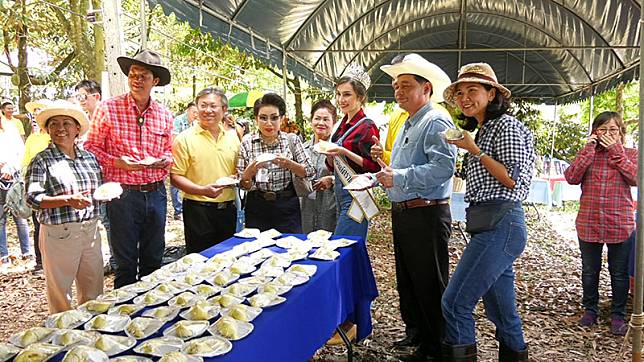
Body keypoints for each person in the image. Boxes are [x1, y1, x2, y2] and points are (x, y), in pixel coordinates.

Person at [441, 63, 535, 361]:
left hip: (502, 223)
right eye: (459, 93)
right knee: (501, 311)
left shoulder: (506, 126)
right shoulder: (483, 129)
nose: (464, 97)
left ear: (492, 93)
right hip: (487, 223)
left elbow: (513, 178)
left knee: (455, 303)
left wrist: (474, 150)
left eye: (473, 90)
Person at [374, 54, 456, 362]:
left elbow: (443, 168)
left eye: (406, 85)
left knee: (429, 279)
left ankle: (435, 346)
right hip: (406, 211)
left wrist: (396, 176)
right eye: (396, 86)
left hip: (427, 212)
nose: (399, 91)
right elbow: (402, 168)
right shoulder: (410, 121)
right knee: (408, 277)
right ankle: (417, 333)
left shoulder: (435, 120)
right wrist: (381, 176)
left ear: (427, 89)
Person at [85, 49, 173, 288]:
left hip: (156, 193)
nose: (136, 79)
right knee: (124, 263)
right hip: (122, 194)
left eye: (143, 76)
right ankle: (123, 318)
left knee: (153, 258)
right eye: (133, 74)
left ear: (155, 81)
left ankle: (152, 312)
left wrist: (164, 160)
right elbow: (90, 147)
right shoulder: (108, 108)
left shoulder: (164, 114)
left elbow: (169, 150)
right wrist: (117, 162)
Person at [25, 100, 104, 313]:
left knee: (94, 291)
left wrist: (105, 194)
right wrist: (67, 200)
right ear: (47, 130)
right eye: (54, 124)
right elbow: (32, 198)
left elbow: (97, 190)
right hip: (59, 233)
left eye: (67, 123)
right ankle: (62, 339)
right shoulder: (41, 160)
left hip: (90, 230)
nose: (61, 129)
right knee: (61, 294)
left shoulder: (89, 158)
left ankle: (92, 336)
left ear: (77, 128)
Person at [564, 111, 636, 336]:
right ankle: (590, 310)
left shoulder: (631, 154)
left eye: (612, 130)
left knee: (619, 272)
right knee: (589, 270)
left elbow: (636, 178)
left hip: (619, 222)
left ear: (621, 133)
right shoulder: (588, 153)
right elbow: (572, 177)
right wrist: (588, 150)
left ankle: (618, 315)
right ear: (594, 132)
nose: (607, 134)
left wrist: (616, 151)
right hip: (589, 221)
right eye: (602, 130)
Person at [171, 88, 240, 253]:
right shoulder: (184, 139)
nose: (208, 110)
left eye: (213, 106)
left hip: (228, 209)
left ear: (224, 110)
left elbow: (237, 170)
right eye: (203, 106)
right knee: (199, 260)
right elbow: (175, 176)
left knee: (225, 260)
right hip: (197, 210)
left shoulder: (232, 137)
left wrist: (237, 176)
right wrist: (202, 190)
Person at [237, 93, 314, 233]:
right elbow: (243, 185)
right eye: (263, 118)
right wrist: (248, 174)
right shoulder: (247, 143)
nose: (269, 123)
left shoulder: (292, 140)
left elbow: (309, 171)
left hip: (287, 204)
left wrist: (290, 164)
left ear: (282, 118)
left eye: (274, 118)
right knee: (258, 250)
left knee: (291, 248)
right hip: (257, 206)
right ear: (256, 119)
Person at [325, 65, 380, 242]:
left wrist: (343, 151)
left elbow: (373, 167)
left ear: (361, 97)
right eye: (339, 94)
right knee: (346, 248)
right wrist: (329, 154)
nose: (341, 99)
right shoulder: (340, 125)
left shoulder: (367, 126)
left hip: (357, 197)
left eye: (347, 94)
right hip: (340, 196)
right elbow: (333, 165)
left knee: (344, 248)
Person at [75, 80, 116, 274]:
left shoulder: (107, 117)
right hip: (89, 183)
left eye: (83, 96)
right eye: (78, 97)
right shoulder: (81, 123)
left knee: (111, 222)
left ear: (96, 96)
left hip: (110, 181)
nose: (80, 101)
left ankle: (117, 260)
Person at [22, 99, 53, 272]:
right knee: (38, 225)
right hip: (36, 186)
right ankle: (40, 262)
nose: (36, 114)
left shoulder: (54, 135)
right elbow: (26, 162)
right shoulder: (32, 138)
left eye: (40, 110)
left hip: (54, 187)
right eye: (35, 111)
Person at [300, 99, 337, 233]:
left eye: (326, 119)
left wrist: (332, 180)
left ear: (334, 123)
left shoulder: (338, 149)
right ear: (311, 121)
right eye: (317, 118)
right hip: (306, 209)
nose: (321, 123)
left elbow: (350, 176)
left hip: (330, 208)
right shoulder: (302, 149)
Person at [0, 109, 29, 265]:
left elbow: (21, 152)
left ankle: (27, 251)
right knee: (0, 219)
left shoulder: (11, 129)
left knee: (20, 215)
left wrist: (11, 168)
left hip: (14, 176)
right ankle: (3, 254)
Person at [170, 102, 198, 221]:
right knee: (176, 183)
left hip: (190, 157)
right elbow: (173, 139)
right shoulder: (178, 121)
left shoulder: (195, 123)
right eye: (194, 112)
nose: (196, 115)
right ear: (188, 110)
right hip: (177, 155)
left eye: (197, 112)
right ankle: (178, 210)